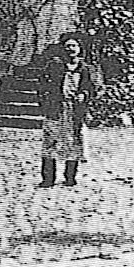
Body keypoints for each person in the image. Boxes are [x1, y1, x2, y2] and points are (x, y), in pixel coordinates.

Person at [36, 31, 101, 187]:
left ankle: (70, 177)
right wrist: (46, 102)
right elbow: (42, 85)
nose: (71, 49)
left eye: (74, 46)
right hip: (56, 109)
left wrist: (84, 95)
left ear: (79, 48)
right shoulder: (54, 65)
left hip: (74, 110)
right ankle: (48, 178)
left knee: (73, 142)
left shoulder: (85, 68)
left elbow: (92, 88)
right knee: (50, 142)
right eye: (67, 46)